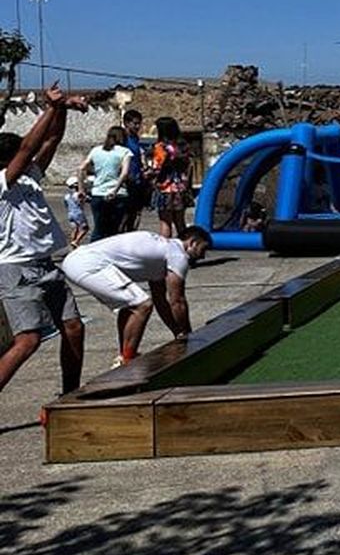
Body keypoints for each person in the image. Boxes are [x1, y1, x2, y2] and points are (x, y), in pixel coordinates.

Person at [0, 85, 89, 404]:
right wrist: (49, 108)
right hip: (15, 269)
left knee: (74, 328)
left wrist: (62, 108)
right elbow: (27, 148)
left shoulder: (29, 177)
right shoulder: (2, 180)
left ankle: (70, 395)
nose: (27, 158)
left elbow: (51, 140)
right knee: (27, 341)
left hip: (45, 265)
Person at [63, 225, 211, 365]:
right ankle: (127, 359)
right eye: (203, 249)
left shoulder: (162, 252)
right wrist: (189, 337)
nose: (203, 256)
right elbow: (177, 301)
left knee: (131, 306)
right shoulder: (178, 254)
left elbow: (161, 301)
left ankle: (124, 355)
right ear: (193, 242)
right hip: (88, 264)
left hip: (77, 260)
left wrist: (178, 333)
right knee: (142, 305)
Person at [80, 125, 131, 241]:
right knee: (113, 230)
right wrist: (115, 190)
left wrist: (81, 189)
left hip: (98, 193)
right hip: (118, 194)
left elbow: (81, 168)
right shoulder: (125, 152)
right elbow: (124, 173)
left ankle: (93, 253)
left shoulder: (96, 150)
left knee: (99, 228)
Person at [148, 116, 192, 238]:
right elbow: (188, 165)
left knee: (165, 223)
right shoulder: (182, 146)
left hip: (164, 188)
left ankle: (166, 252)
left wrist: (148, 174)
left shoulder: (160, 148)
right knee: (180, 222)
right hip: (180, 188)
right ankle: (186, 249)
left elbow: (157, 168)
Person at [118, 109, 148, 233]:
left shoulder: (135, 138)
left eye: (139, 123)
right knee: (124, 214)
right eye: (134, 123)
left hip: (136, 179)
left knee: (134, 213)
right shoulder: (122, 138)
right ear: (126, 123)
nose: (137, 126)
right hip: (125, 180)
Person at [64, 176, 89, 248]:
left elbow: (66, 205)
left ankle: (72, 243)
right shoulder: (78, 195)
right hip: (78, 213)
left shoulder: (67, 196)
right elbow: (86, 200)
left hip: (70, 213)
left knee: (75, 229)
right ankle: (76, 241)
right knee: (85, 228)